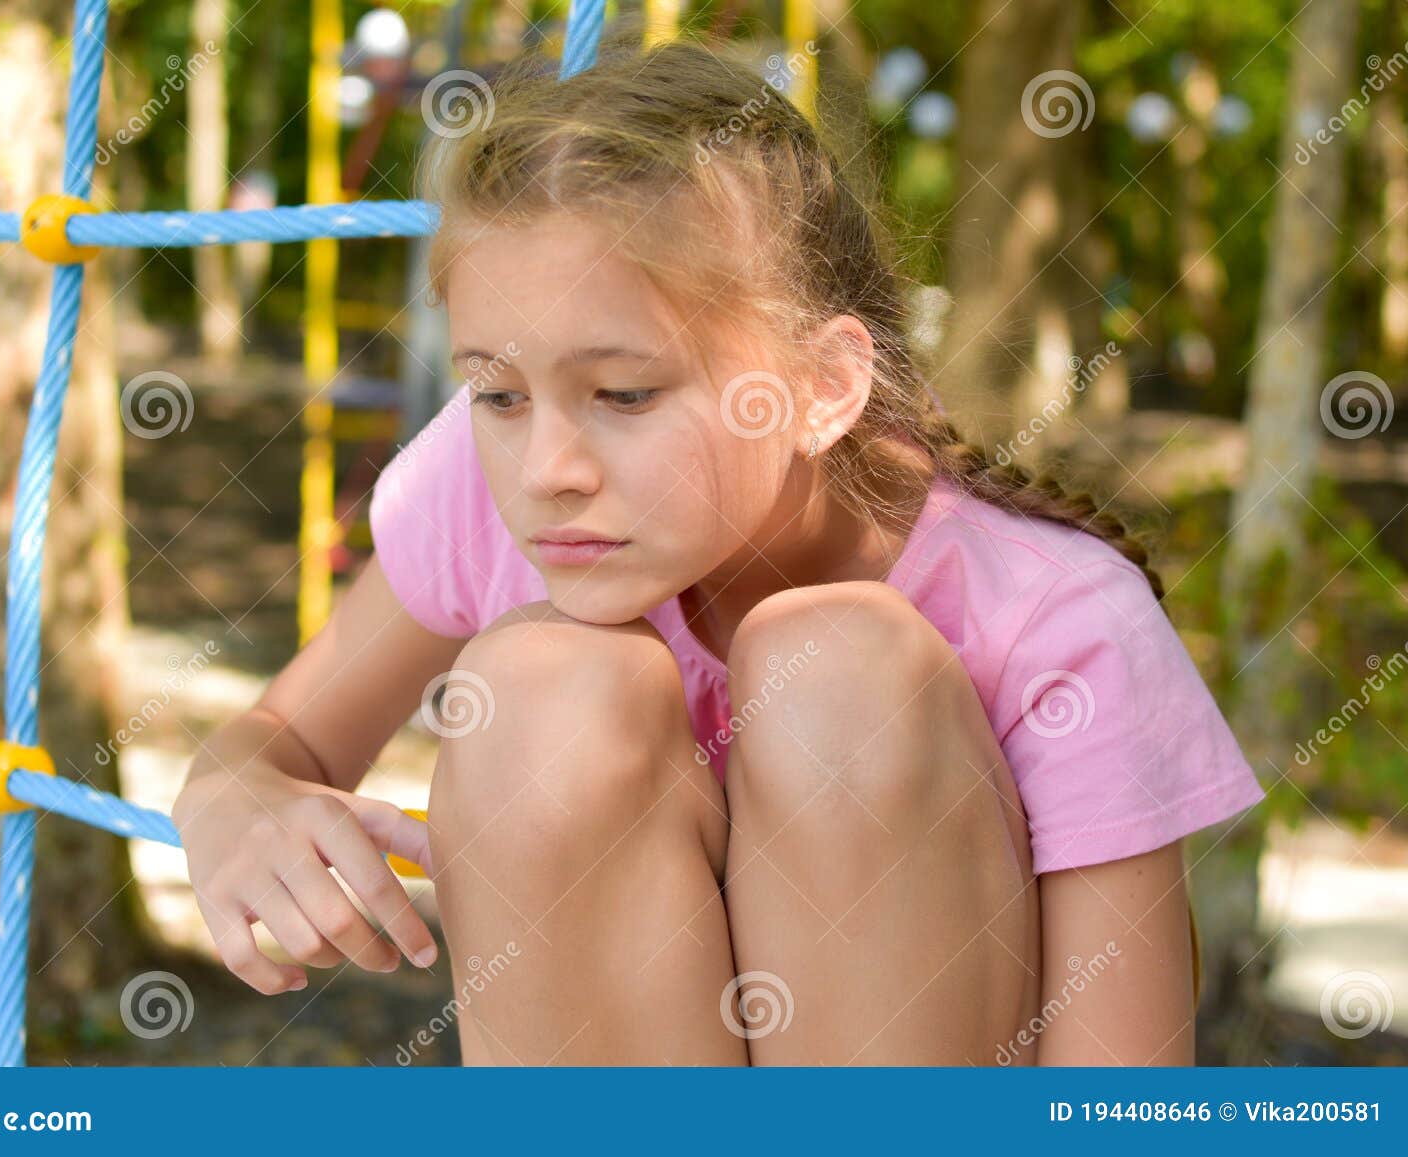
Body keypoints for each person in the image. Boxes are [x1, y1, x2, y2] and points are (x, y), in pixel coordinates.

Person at [171, 21, 1265, 1065]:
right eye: (495, 392)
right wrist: (230, 796)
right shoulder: (489, 476)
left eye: (627, 392)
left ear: (824, 386)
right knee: (542, 688)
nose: (548, 463)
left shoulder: (1054, 618)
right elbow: (274, 741)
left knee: (838, 670)